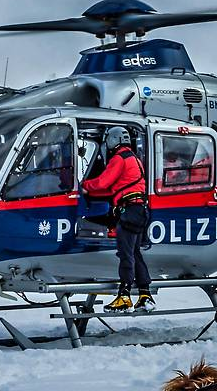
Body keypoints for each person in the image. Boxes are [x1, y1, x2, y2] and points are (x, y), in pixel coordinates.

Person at [81, 126, 155, 313]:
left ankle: (124, 296)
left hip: (129, 211)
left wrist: (83, 184)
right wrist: (91, 190)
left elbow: (104, 182)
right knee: (135, 252)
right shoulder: (134, 159)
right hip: (139, 209)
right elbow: (114, 188)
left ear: (113, 140)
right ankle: (145, 295)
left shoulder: (119, 158)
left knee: (126, 254)